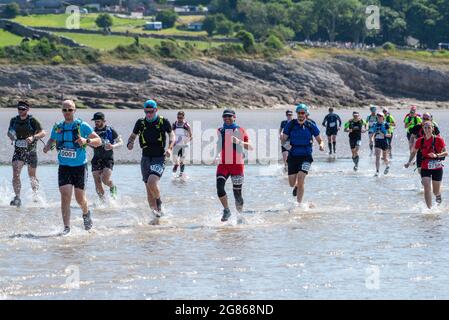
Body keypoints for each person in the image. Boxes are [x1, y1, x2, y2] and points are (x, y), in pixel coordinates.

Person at [43, 100, 102, 235]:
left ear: (75, 111)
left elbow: (98, 141)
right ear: (62, 111)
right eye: (65, 110)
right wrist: (47, 146)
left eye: (70, 110)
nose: (67, 113)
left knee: (80, 198)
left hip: (80, 167)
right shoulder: (58, 127)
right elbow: (52, 139)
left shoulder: (82, 126)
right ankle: (66, 228)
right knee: (65, 196)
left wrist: (86, 141)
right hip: (64, 166)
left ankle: (86, 213)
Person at [127, 99, 174, 223]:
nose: (148, 114)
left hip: (159, 156)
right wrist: (130, 142)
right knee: (148, 189)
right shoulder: (140, 123)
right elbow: (133, 135)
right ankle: (155, 216)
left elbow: (172, 135)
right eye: (146, 112)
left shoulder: (163, 121)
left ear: (156, 110)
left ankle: (159, 203)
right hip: (146, 157)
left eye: (151, 112)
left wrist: (169, 149)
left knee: (152, 182)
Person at [281, 104, 324, 204]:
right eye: (299, 113)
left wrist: (321, 145)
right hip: (293, 156)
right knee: (292, 183)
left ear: (306, 114)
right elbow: (283, 140)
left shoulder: (310, 125)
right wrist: (287, 145)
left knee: (301, 178)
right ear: (296, 114)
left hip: (306, 156)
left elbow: (320, 140)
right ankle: (296, 186)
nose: (300, 115)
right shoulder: (291, 124)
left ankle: (299, 204)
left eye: (302, 113)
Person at [215, 109, 253, 222]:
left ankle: (239, 216)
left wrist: (239, 142)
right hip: (223, 164)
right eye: (224, 116)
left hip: (237, 165)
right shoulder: (220, 130)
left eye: (229, 116)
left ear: (234, 117)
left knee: (237, 194)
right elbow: (219, 145)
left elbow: (250, 147)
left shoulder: (241, 130)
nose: (227, 118)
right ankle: (226, 210)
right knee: (219, 187)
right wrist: (217, 155)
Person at [7, 101, 46, 207]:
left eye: (23, 109)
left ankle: (36, 195)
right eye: (19, 108)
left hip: (31, 151)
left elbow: (43, 132)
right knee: (16, 173)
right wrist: (11, 135)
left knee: (32, 176)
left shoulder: (32, 120)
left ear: (28, 109)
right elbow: (9, 132)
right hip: (18, 151)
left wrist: (33, 137)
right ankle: (17, 197)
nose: (21, 111)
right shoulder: (14, 120)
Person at [405, 121, 447, 209]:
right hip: (425, 166)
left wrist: (436, 155)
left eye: (429, 127)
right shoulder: (420, 140)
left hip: (437, 167)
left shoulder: (439, 139)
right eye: (425, 128)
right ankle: (429, 208)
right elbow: (414, 152)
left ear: (432, 129)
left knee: (435, 191)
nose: (427, 129)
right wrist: (409, 162)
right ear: (423, 129)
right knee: (426, 186)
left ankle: (438, 195)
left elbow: (446, 153)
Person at [90, 112, 123, 201]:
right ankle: (103, 202)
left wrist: (113, 146)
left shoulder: (110, 130)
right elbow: (87, 142)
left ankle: (112, 187)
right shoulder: (92, 131)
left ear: (104, 121)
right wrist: (90, 143)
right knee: (97, 183)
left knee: (105, 179)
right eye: (95, 121)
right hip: (96, 158)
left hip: (108, 158)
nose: (96, 123)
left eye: (98, 121)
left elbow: (120, 142)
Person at [172, 111, 192, 177]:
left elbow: (191, 136)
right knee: (175, 158)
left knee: (182, 160)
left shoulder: (186, 125)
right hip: (176, 145)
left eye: (180, 117)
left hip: (184, 145)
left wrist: (186, 141)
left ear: (183, 117)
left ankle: (181, 173)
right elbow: (171, 134)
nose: (179, 118)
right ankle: (176, 164)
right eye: (178, 117)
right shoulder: (174, 124)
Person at [371, 112, 391, 177]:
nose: (379, 118)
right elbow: (373, 133)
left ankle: (388, 165)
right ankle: (377, 171)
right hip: (377, 141)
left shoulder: (386, 125)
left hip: (384, 142)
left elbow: (389, 135)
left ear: (383, 117)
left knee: (384, 158)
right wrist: (371, 139)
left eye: (380, 116)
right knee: (377, 157)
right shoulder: (375, 124)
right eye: (378, 117)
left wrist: (383, 134)